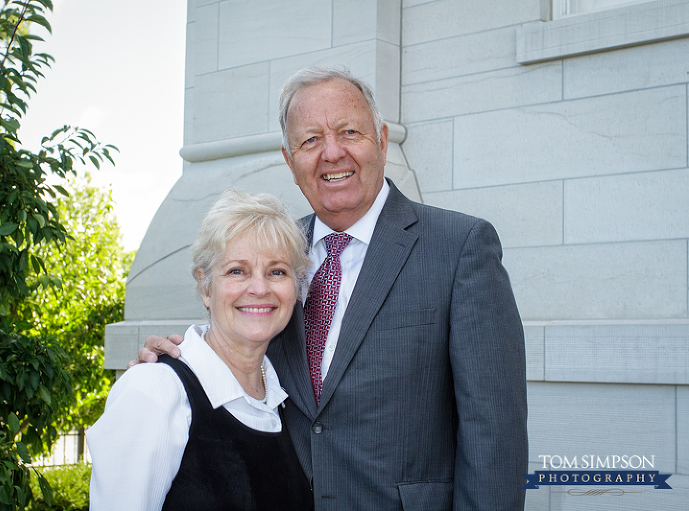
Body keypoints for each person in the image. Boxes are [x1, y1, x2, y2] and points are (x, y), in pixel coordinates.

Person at [135, 66, 528, 510]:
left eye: (349, 132)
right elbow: (237, 340)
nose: (332, 153)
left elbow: (494, 434)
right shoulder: (279, 255)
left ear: (380, 139)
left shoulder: (459, 248)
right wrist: (172, 364)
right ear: (290, 159)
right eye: (310, 140)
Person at [87, 189, 314, 511]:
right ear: (205, 286)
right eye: (237, 270)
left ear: (296, 286)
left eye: (277, 271)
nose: (260, 288)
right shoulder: (157, 390)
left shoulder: (282, 399)